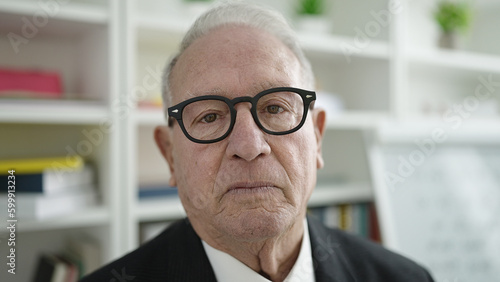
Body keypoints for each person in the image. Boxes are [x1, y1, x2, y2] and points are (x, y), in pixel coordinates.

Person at [81, 2, 434, 282]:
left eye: (275, 107)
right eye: (209, 116)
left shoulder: (407, 278)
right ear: (170, 155)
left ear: (317, 138)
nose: (249, 145)